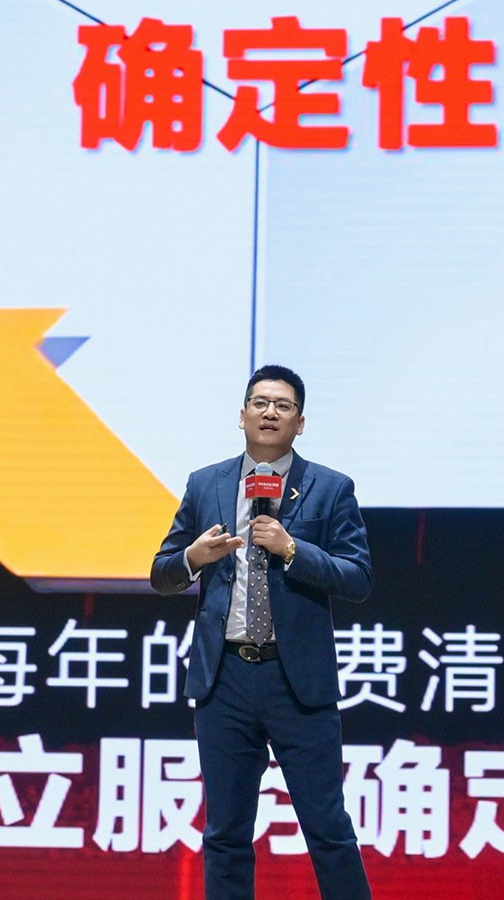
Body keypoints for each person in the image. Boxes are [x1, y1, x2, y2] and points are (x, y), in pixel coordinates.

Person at [150, 364, 373, 899]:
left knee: (327, 828)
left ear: (300, 423)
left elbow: (358, 578)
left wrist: (293, 549)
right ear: (242, 415)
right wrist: (192, 557)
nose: (270, 412)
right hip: (224, 677)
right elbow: (161, 573)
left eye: (283, 406)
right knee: (225, 834)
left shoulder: (330, 488)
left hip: (296, 682)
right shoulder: (206, 483)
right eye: (260, 403)